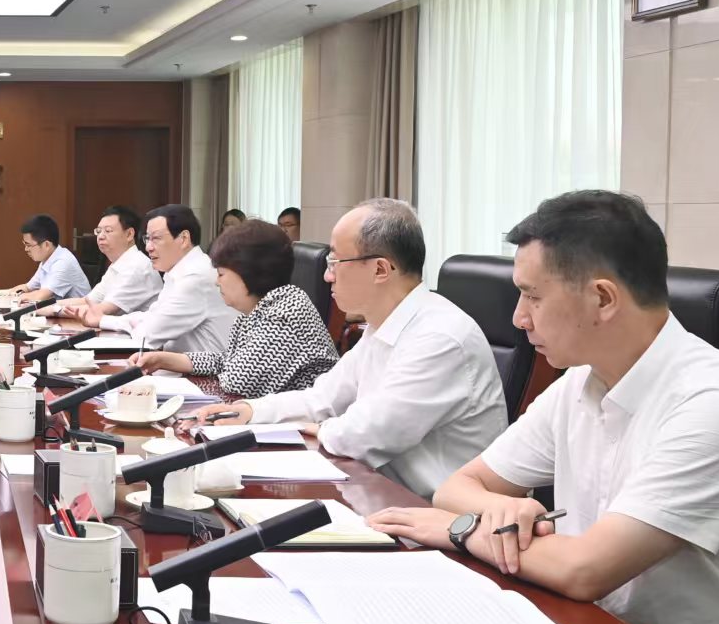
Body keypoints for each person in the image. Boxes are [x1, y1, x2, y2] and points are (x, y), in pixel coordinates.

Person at [371, 191, 719, 624]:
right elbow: (459, 486)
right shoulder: (580, 381)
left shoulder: (716, 405)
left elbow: (585, 570)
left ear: (602, 299)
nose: (519, 318)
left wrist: (461, 529)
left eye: (532, 297)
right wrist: (496, 510)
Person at [182, 198, 505, 497]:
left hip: (428, 512)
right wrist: (251, 411)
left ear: (380, 269)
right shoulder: (383, 326)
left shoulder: (440, 337)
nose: (327, 276)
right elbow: (323, 397)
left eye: (336, 262)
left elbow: (364, 435)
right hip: (374, 488)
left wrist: (311, 428)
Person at [131, 218, 338, 395]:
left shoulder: (286, 311)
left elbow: (237, 381)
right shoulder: (257, 308)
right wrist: (163, 360)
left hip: (302, 424)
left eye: (221, 274)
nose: (216, 282)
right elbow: (226, 360)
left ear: (249, 273)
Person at [86, 204, 234, 356]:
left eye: (156, 238)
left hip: (204, 370)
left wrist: (104, 320)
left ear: (184, 239)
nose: (148, 247)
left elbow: (148, 334)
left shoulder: (195, 277)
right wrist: (104, 320)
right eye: (147, 239)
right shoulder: (178, 272)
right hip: (179, 364)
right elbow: (153, 316)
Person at [58, 206, 160, 320]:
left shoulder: (137, 266)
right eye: (98, 231)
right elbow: (88, 301)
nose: (100, 236)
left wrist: (51, 310)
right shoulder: (118, 264)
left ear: (129, 234)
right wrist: (48, 305)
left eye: (108, 231)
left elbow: (101, 310)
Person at [0, 214, 89, 303]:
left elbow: (42, 296)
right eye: (24, 244)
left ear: (46, 245)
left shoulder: (63, 262)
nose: (26, 249)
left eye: (28, 245)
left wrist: (14, 298)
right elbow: (27, 288)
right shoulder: (47, 259)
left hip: (79, 316)